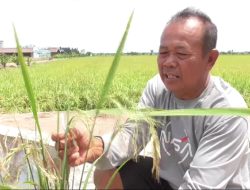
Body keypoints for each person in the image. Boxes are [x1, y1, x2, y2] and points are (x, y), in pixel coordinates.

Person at [52, 7, 250, 189]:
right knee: (107, 173)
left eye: (181, 53)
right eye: (163, 52)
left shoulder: (228, 113)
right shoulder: (158, 88)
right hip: (171, 182)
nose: (168, 62)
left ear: (210, 59)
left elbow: (199, 186)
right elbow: (134, 134)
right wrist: (95, 145)